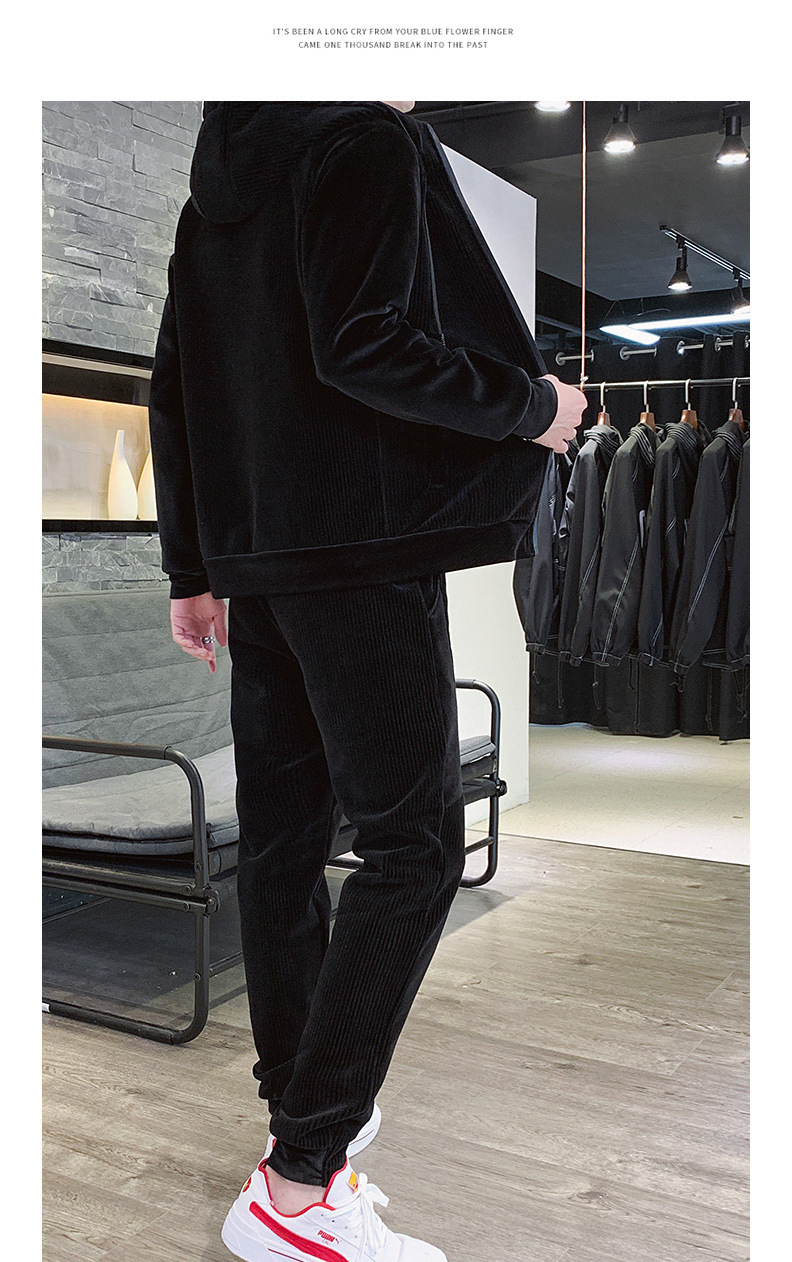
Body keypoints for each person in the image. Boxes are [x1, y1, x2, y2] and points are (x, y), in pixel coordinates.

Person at [148, 99, 585, 1262]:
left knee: (285, 843)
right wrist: (536, 407)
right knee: (416, 847)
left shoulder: (212, 194)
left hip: (261, 565)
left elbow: (175, 386)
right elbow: (365, 345)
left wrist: (194, 569)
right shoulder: (364, 140)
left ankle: (299, 1123)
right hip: (357, 550)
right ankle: (296, 1188)